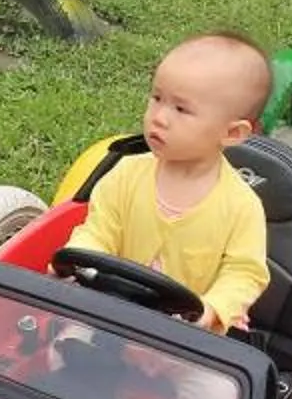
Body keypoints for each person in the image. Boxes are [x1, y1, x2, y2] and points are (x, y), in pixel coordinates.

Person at [68, 31, 275, 334]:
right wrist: (77, 256)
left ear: (232, 134)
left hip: (187, 341)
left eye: (181, 109)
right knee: (58, 351)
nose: (159, 118)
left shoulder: (241, 206)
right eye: (157, 98)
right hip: (109, 317)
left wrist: (213, 309)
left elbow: (244, 273)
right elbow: (98, 233)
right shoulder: (125, 174)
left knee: (214, 385)